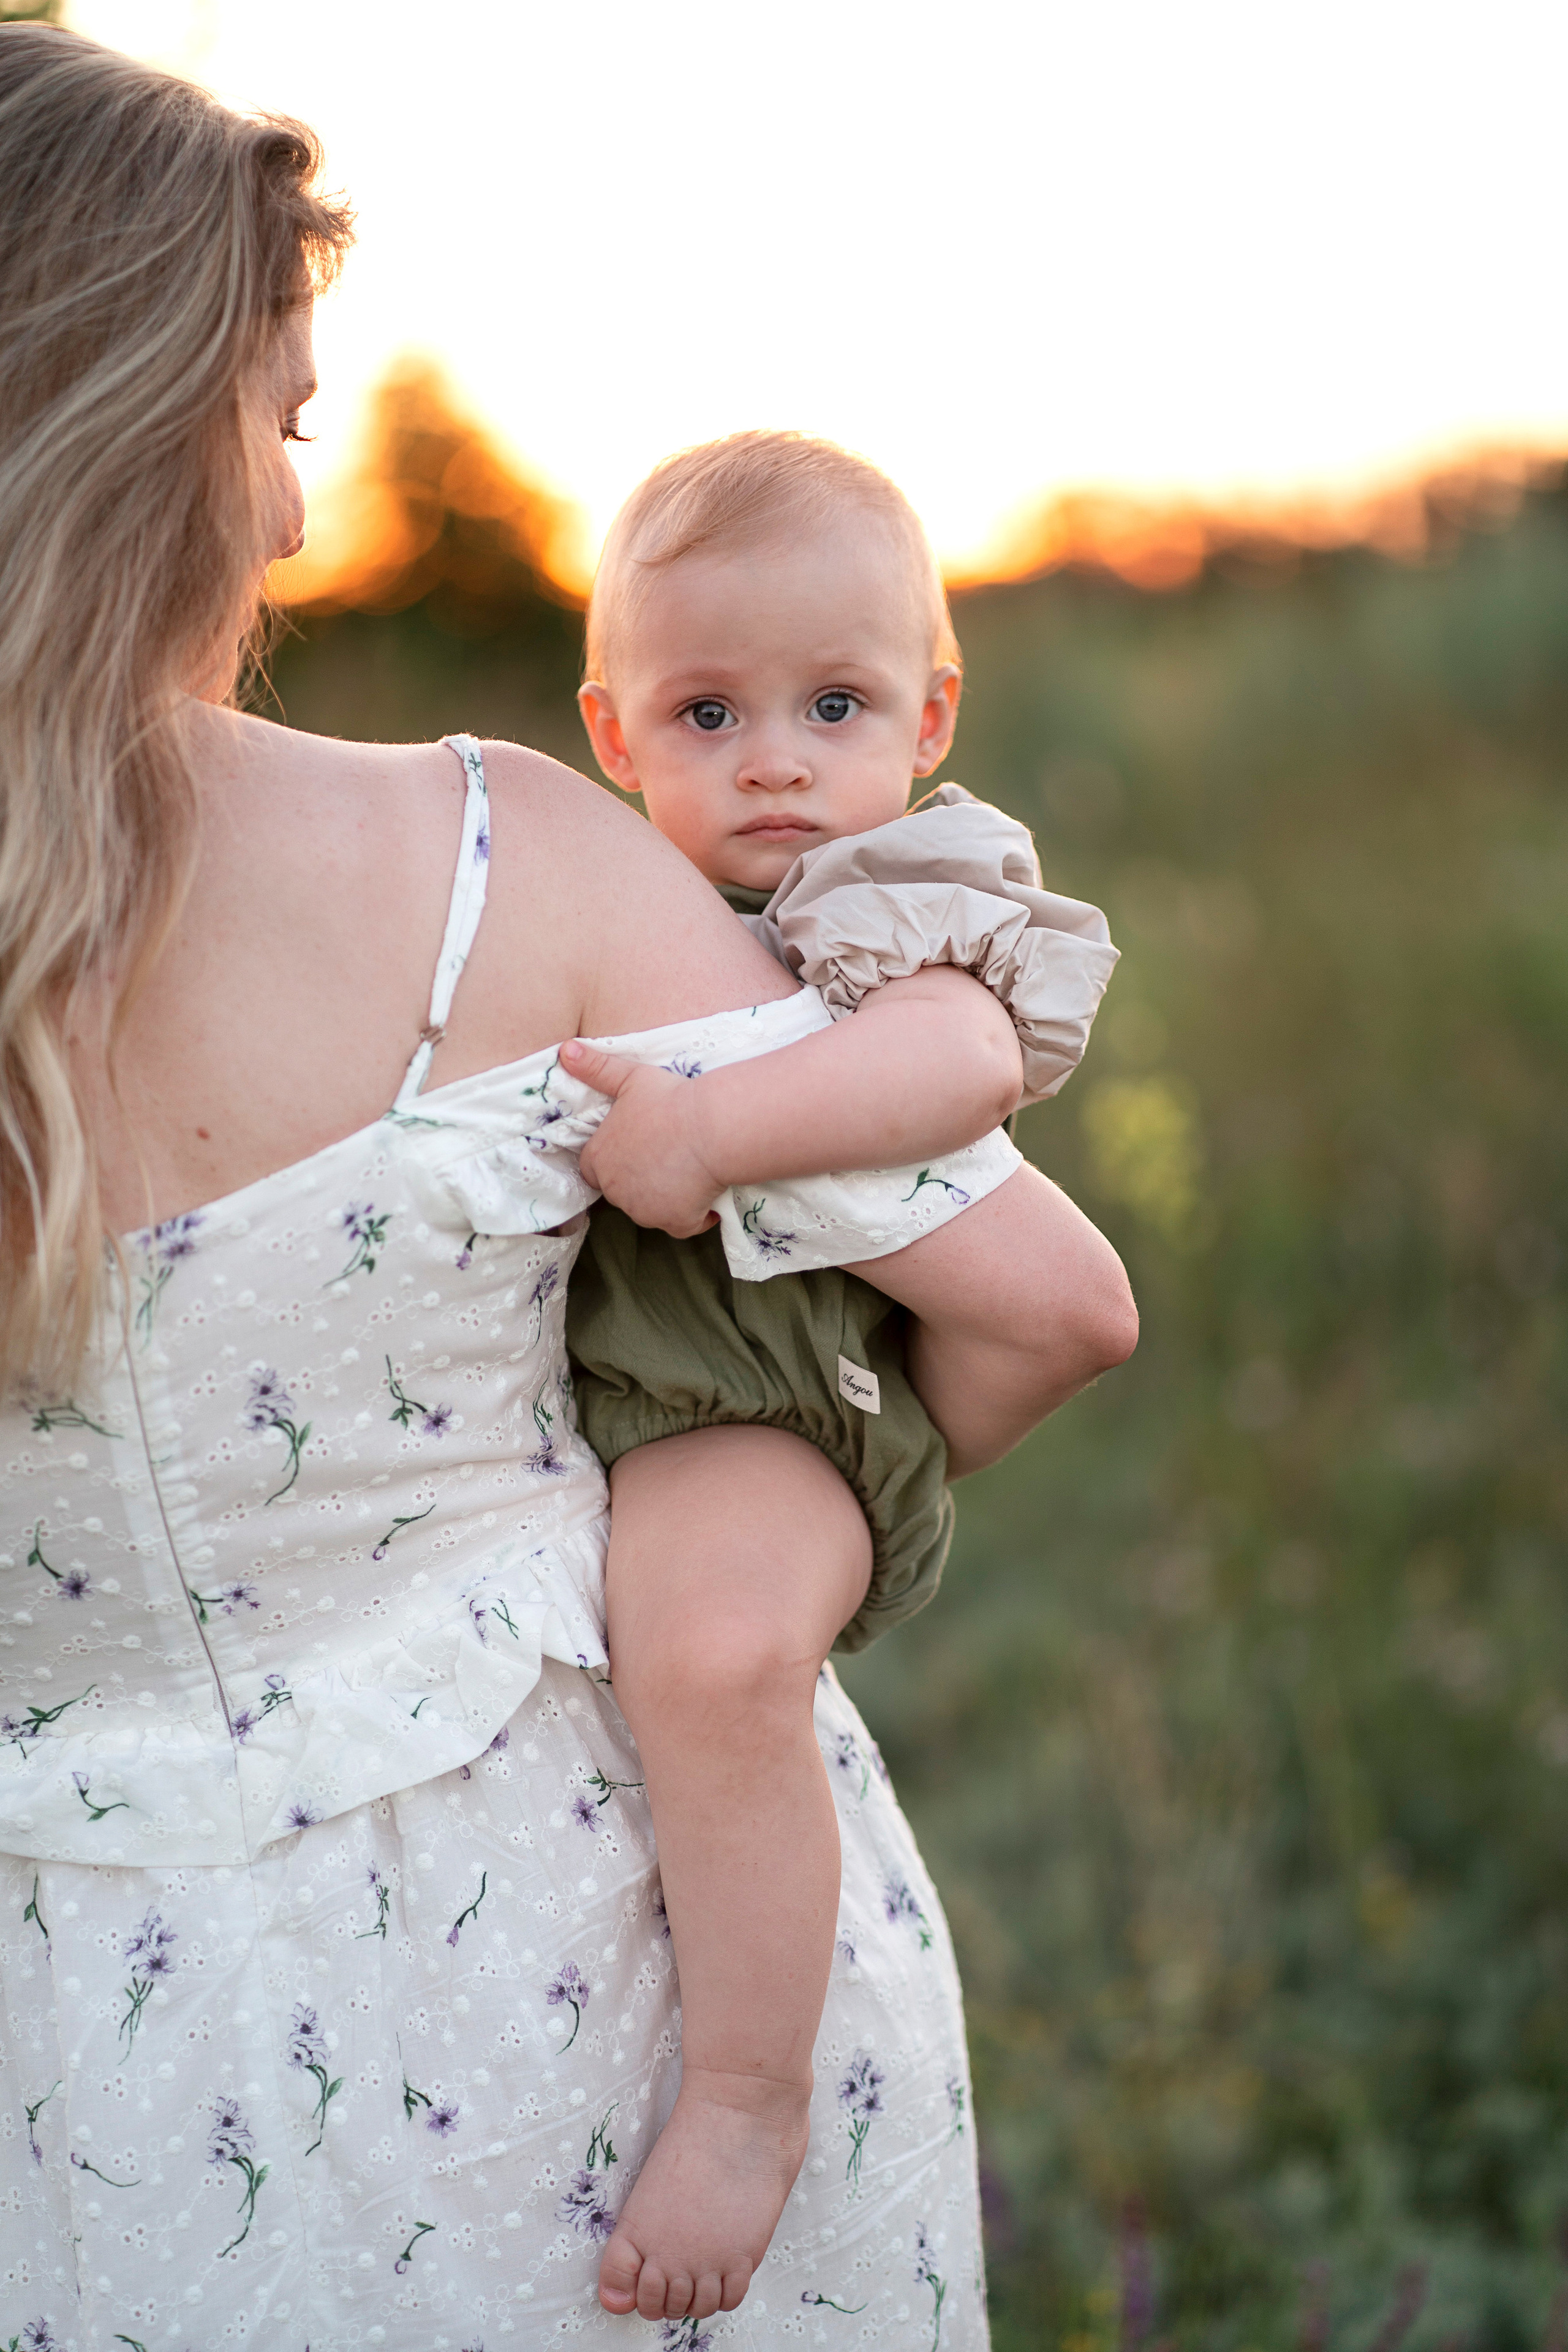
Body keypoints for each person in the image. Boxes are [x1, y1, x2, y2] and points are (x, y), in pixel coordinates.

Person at [0, 24, 1136, 2350]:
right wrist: (821, 1493)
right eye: (280, 422)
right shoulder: (498, 864)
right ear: (130, 422)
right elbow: (1053, 1298)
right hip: (575, 2004)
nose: (295, 520)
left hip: (72, 2083)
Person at [565, 431, 1125, 2319]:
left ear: (929, 717)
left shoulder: (897, 886)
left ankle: (749, 2098)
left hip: (779, 1397)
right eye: (708, 713)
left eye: (834, 704)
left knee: (717, 1655)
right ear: (615, 735)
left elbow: (959, 1067)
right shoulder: (604, 898)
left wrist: (711, 1136)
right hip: (643, 1392)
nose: (776, 761)